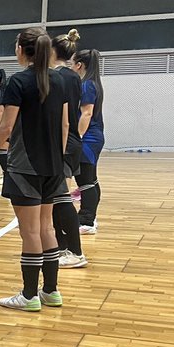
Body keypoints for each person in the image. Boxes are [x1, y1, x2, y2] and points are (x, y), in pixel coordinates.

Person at [0, 27, 67, 312]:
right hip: (53, 166)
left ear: (22, 50)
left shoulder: (18, 82)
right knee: (46, 227)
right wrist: (58, 160)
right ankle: (50, 291)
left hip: (25, 166)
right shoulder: (59, 81)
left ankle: (29, 295)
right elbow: (64, 126)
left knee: (30, 232)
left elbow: (6, 127)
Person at [52, 31, 87, 268]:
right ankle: (63, 246)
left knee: (61, 198)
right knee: (55, 198)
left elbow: (61, 117)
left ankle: (75, 251)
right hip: (69, 141)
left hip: (63, 142)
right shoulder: (72, 76)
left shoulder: (57, 77)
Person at [74, 46, 105, 234]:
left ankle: (86, 221)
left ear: (79, 65)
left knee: (85, 179)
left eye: (72, 64)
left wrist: (77, 137)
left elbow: (86, 113)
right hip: (93, 136)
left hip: (88, 137)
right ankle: (90, 217)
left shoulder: (87, 85)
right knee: (91, 179)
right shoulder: (93, 83)